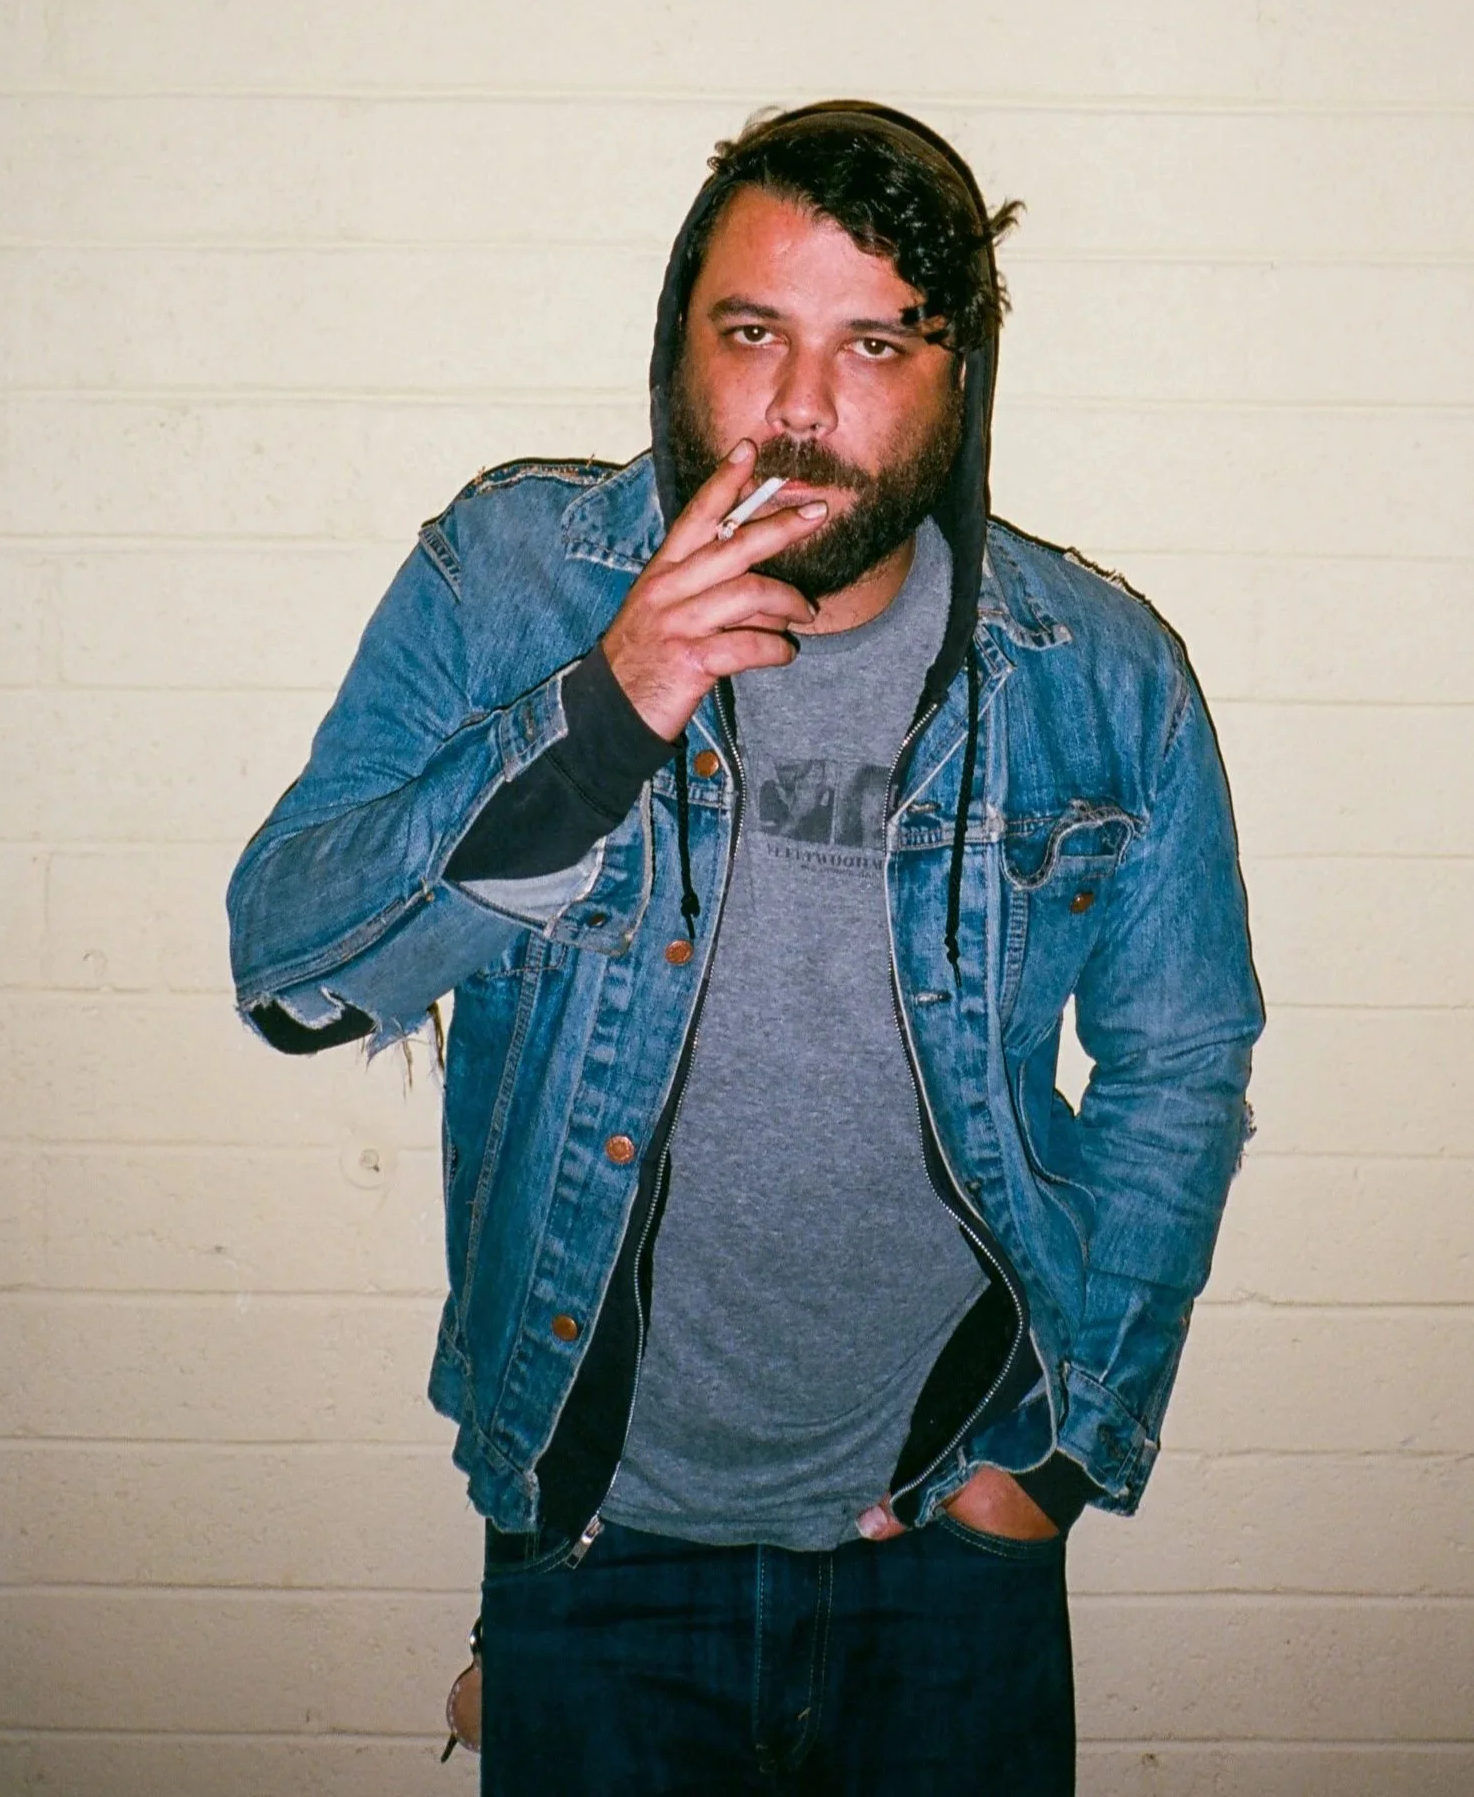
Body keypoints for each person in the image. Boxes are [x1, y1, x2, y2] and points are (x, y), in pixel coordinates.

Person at [227, 101, 1264, 1794]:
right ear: (679, 344)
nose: (798, 407)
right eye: (752, 333)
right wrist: (601, 716)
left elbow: (1180, 1058)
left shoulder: (1094, 671)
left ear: (957, 383)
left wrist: (1051, 1470)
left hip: (952, 1538)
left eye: (875, 345)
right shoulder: (511, 585)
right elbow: (291, 973)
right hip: (594, 1540)